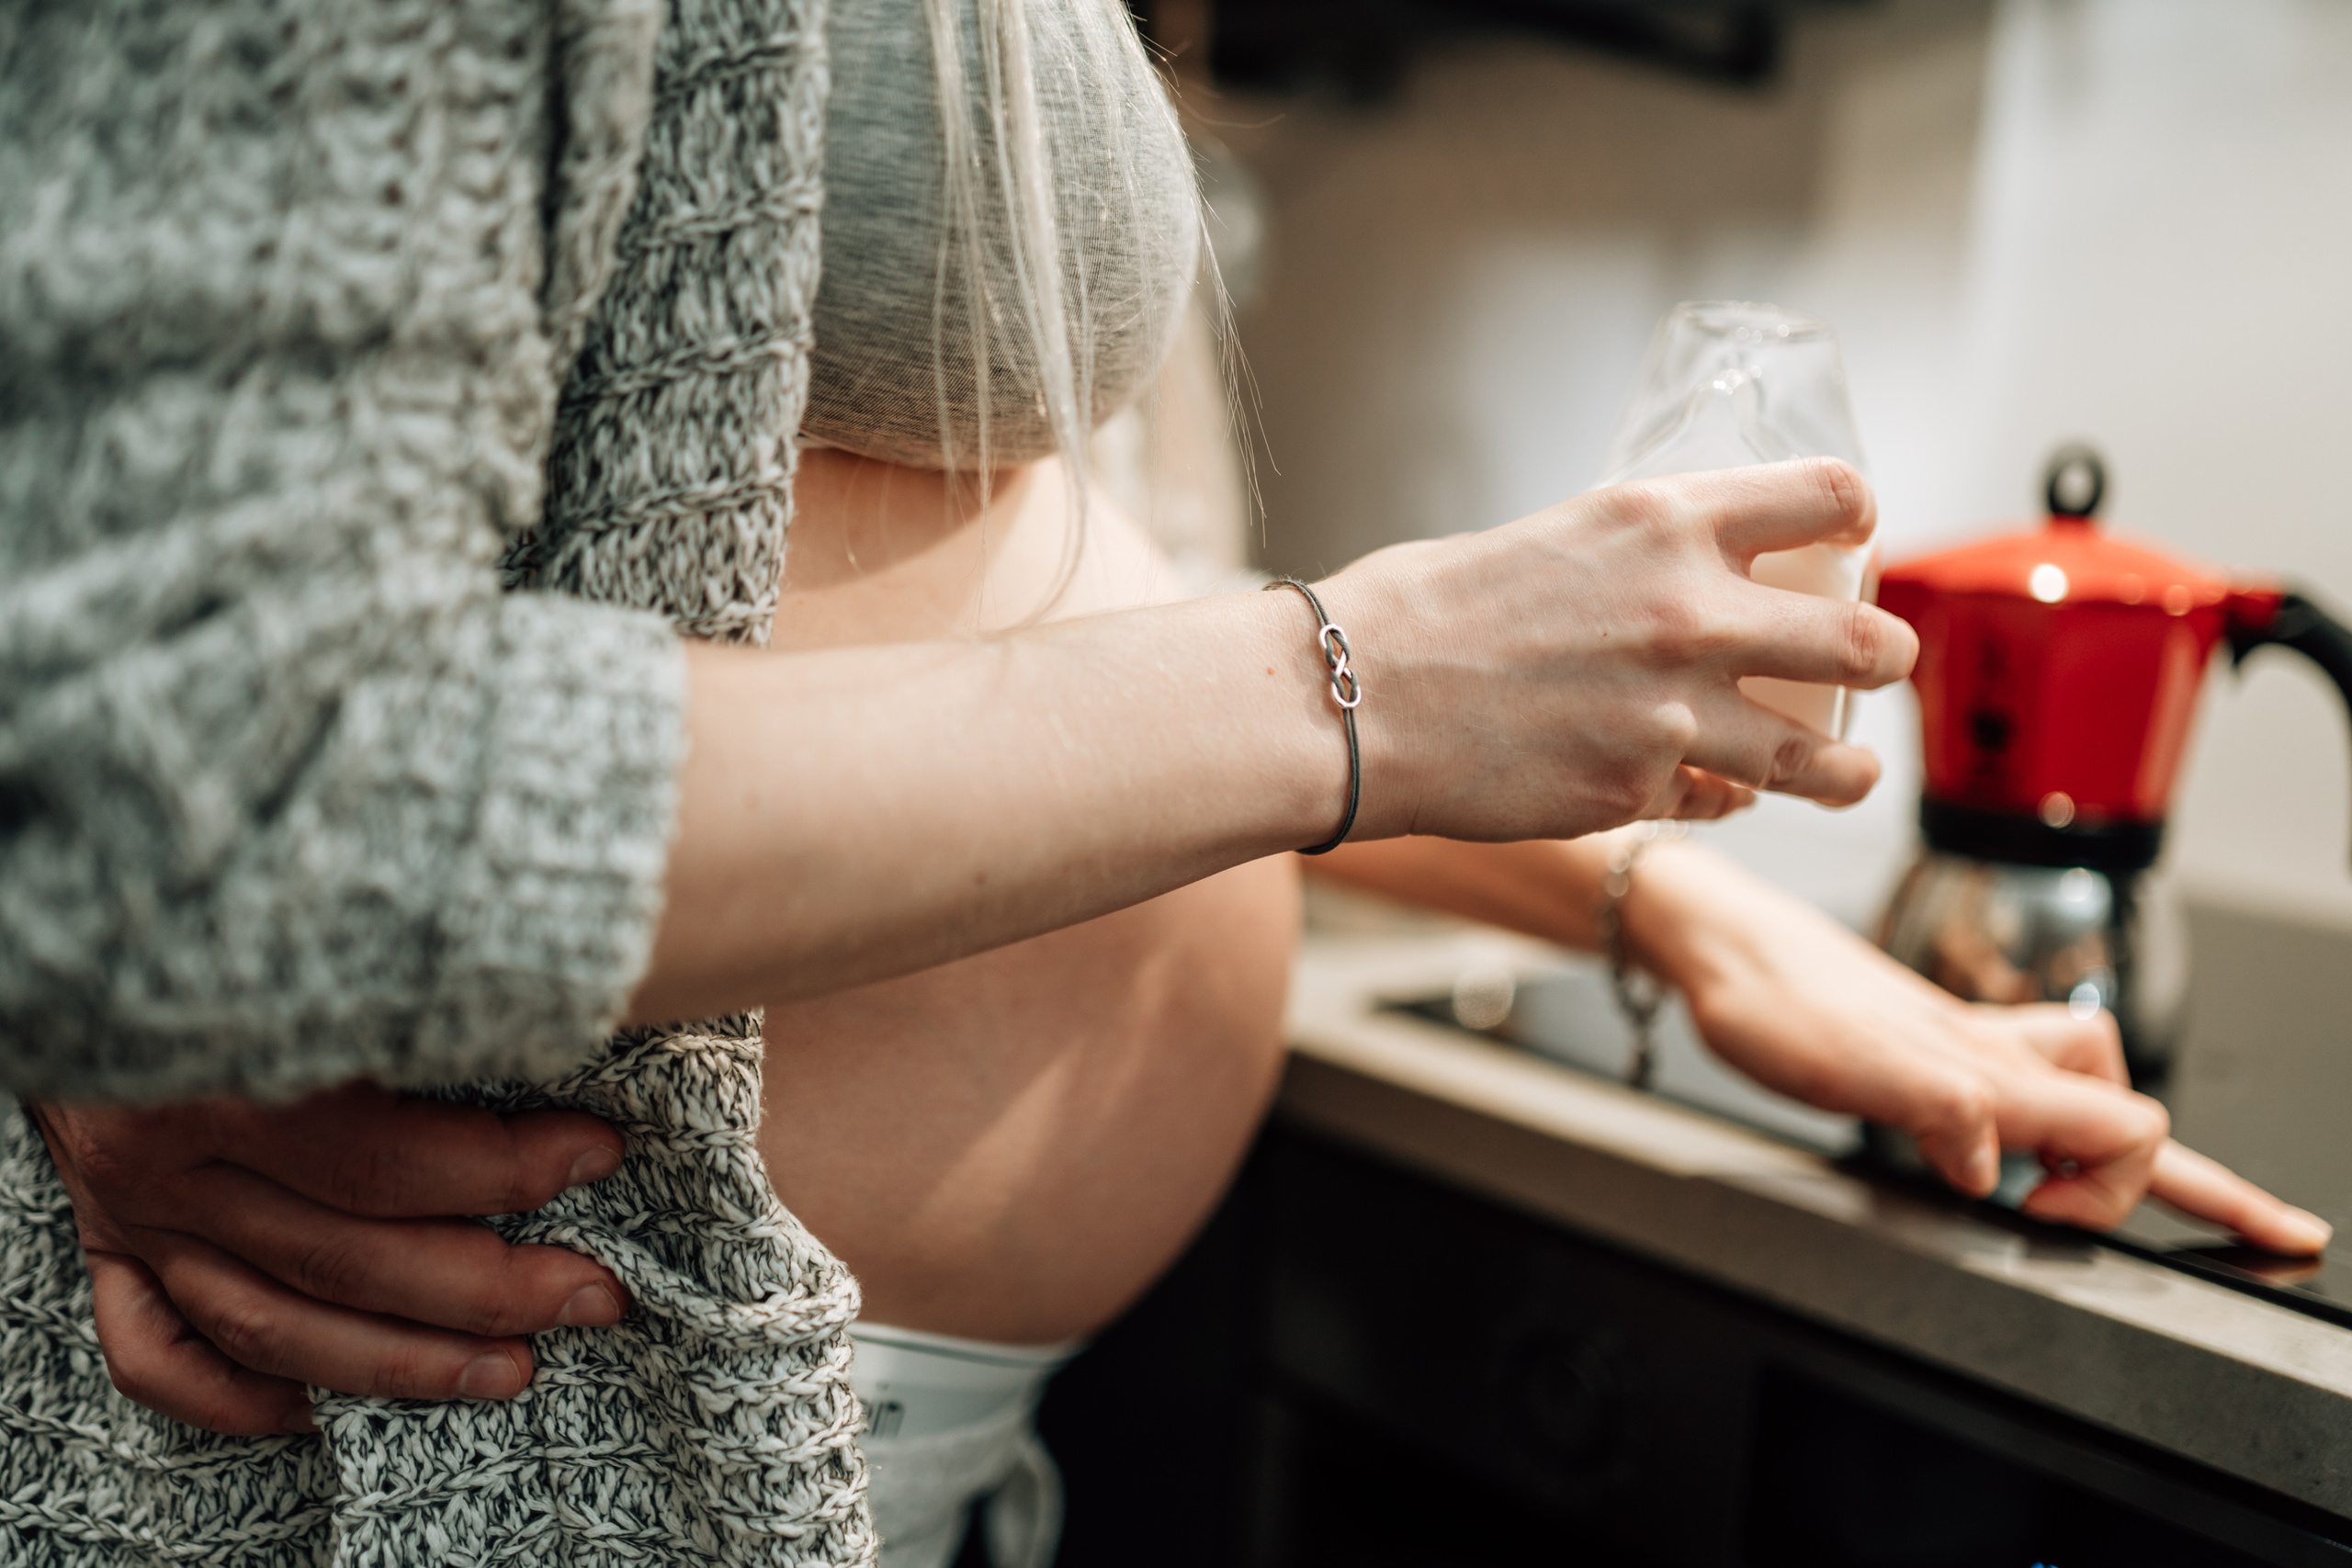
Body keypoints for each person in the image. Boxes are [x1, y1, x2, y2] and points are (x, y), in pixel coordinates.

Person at [0, 2, 2319, 1567]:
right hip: (408, 1440)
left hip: (859, 1453)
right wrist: (1360, 683)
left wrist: (1650, 903)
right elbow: (201, 745)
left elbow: (1038, 665)